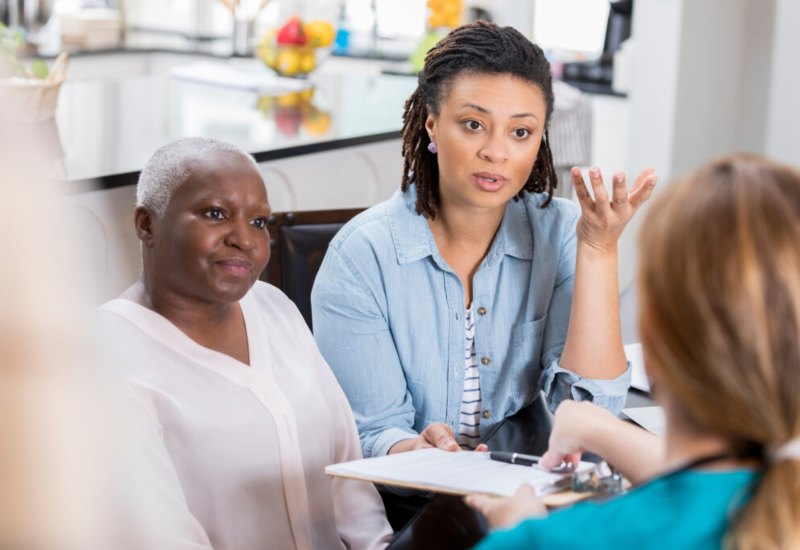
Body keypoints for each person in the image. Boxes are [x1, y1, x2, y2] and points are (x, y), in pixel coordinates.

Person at [311, 21, 656, 458]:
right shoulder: (360, 258)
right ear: (433, 126)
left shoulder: (564, 233)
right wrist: (413, 450)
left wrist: (600, 249)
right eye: (474, 124)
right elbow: (371, 432)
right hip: (413, 506)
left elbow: (590, 414)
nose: (497, 152)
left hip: (530, 485)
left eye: (520, 132)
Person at [466, 154, 800, 549]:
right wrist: (599, 429)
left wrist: (515, 531)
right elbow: (713, 485)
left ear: (652, 343)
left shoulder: (549, 541)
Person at [95, 137, 393, 549]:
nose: (245, 239)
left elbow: (346, 474)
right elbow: (160, 536)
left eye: (258, 222)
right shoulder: (105, 357)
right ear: (147, 224)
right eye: (215, 214)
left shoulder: (272, 306)